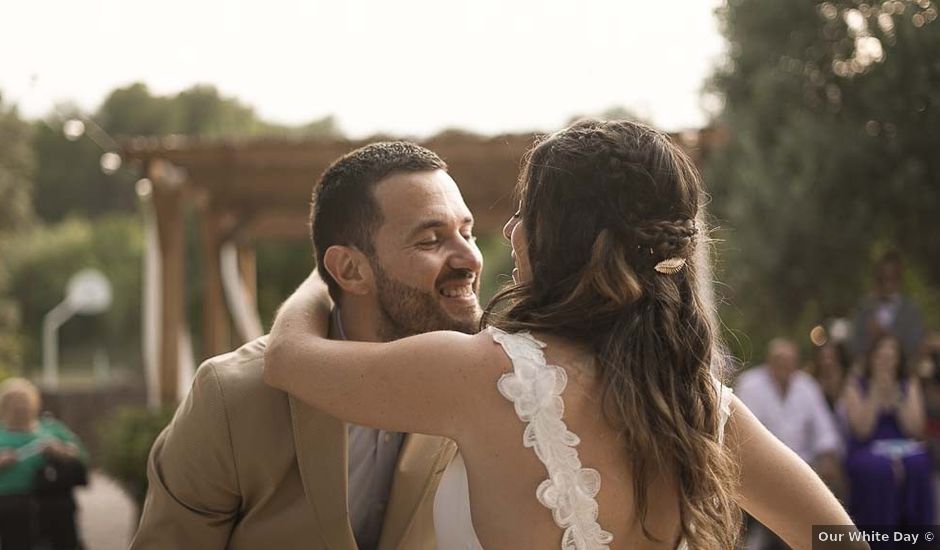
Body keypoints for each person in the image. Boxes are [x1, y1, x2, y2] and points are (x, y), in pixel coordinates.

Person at [265, 120, 861, 549]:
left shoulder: (480, 375)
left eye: (525, 212)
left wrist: (327, 280)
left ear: (549, 239)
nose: (512, 229)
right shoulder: (701, 406)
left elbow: (288, 360)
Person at [131, 142, 483, 549]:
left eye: (466, 232)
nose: (470, 257)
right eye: (431, 240)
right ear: (349, 269)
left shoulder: (484, 382)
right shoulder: (231, 398)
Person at [735, 339, 845, 549]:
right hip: (760, 467)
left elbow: (825, 430)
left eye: (789, 362)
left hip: (805, 465)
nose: (784, 367)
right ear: (769, 362)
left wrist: (829, 456)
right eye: (779, 361)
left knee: (836, 481)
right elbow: (741, 437)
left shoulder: (806, 386)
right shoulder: (749, 384)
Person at [842, 333, 933, 527]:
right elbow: (862, 430)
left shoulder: (909, 383)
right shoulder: (855, 384)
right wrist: (875, 393)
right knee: (879, 470)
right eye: (881, 357)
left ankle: (915, 536)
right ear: (872, 358)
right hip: (866, 446)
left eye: (891, 358)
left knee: (918, 463)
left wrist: (898, 398)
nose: (886, 363)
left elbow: (915, 429)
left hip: (903, 444)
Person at [0, 377, 87, 550]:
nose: (20, 407)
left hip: (53, 505)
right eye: (14, 402)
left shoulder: (52, 429)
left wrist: (60, 452)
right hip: (11, 507)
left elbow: (82, 458)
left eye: (24, 401)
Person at [850, 251, 924, 361]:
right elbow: (854, 346)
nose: (887, 283)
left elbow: (915, 346)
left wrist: (886, 335)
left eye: (892, 277)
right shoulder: (864, 308)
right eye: (883, 277)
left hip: (901, 374)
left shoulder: (911, 311)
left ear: (899, 278)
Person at [811, 341, 853, 413]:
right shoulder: (813, 387)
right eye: (823, 358)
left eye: (831, 357)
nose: (828, 362)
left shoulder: (848, 385)